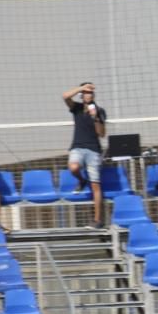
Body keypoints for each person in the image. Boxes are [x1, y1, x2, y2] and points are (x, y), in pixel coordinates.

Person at [62, 82, 107, 229]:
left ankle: (97, 220)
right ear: (82, 95)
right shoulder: (77, 108)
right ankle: (81, 180)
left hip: (93, 149)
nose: (88, 95)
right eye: (86, 93)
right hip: (78, 147)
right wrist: (82, 87)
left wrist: (95, 118)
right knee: (73, 167)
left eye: (90, 93)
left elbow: (102, 134)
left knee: (96, 185)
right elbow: (65, 96)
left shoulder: (99, 111)